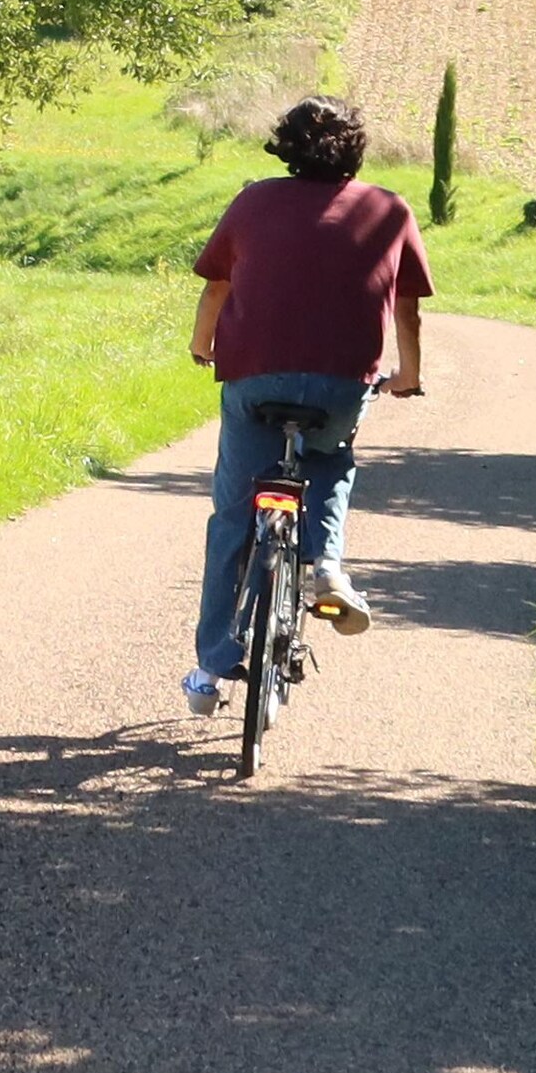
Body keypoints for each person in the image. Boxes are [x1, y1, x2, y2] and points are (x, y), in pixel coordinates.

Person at [180, 93, 429, 716]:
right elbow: (407, 309)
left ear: (284, 146)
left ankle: (210, 671)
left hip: (255, 378)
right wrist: (407, 376)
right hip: (342, 382)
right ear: (357, 148)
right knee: (331, 459)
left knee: (233, 519)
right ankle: (325, 565)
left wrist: (201, 345)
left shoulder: (253, 200)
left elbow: (218, 286)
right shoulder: (388, 210)